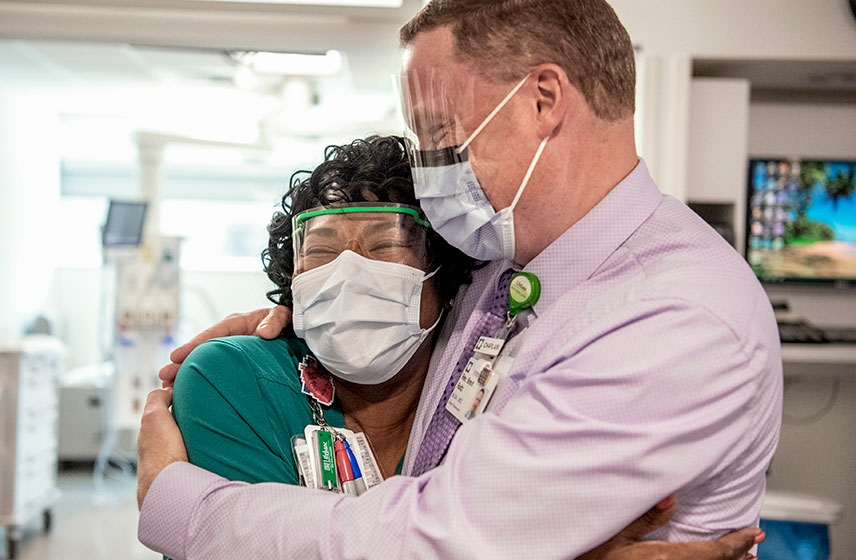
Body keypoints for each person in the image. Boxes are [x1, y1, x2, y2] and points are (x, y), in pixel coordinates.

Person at [138, 1, 782, 558]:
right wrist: (294, 318)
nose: (427, 172)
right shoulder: (507, 266)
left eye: (440, 138)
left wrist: (187, 510)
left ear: (543, 101)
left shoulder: (674, 317)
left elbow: (437, 542)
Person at [168, 135, 478, 492]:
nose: (348, 273)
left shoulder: (483, 391)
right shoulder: (232, 380)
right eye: (321, 250)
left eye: (384, 244)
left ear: (446, 278)